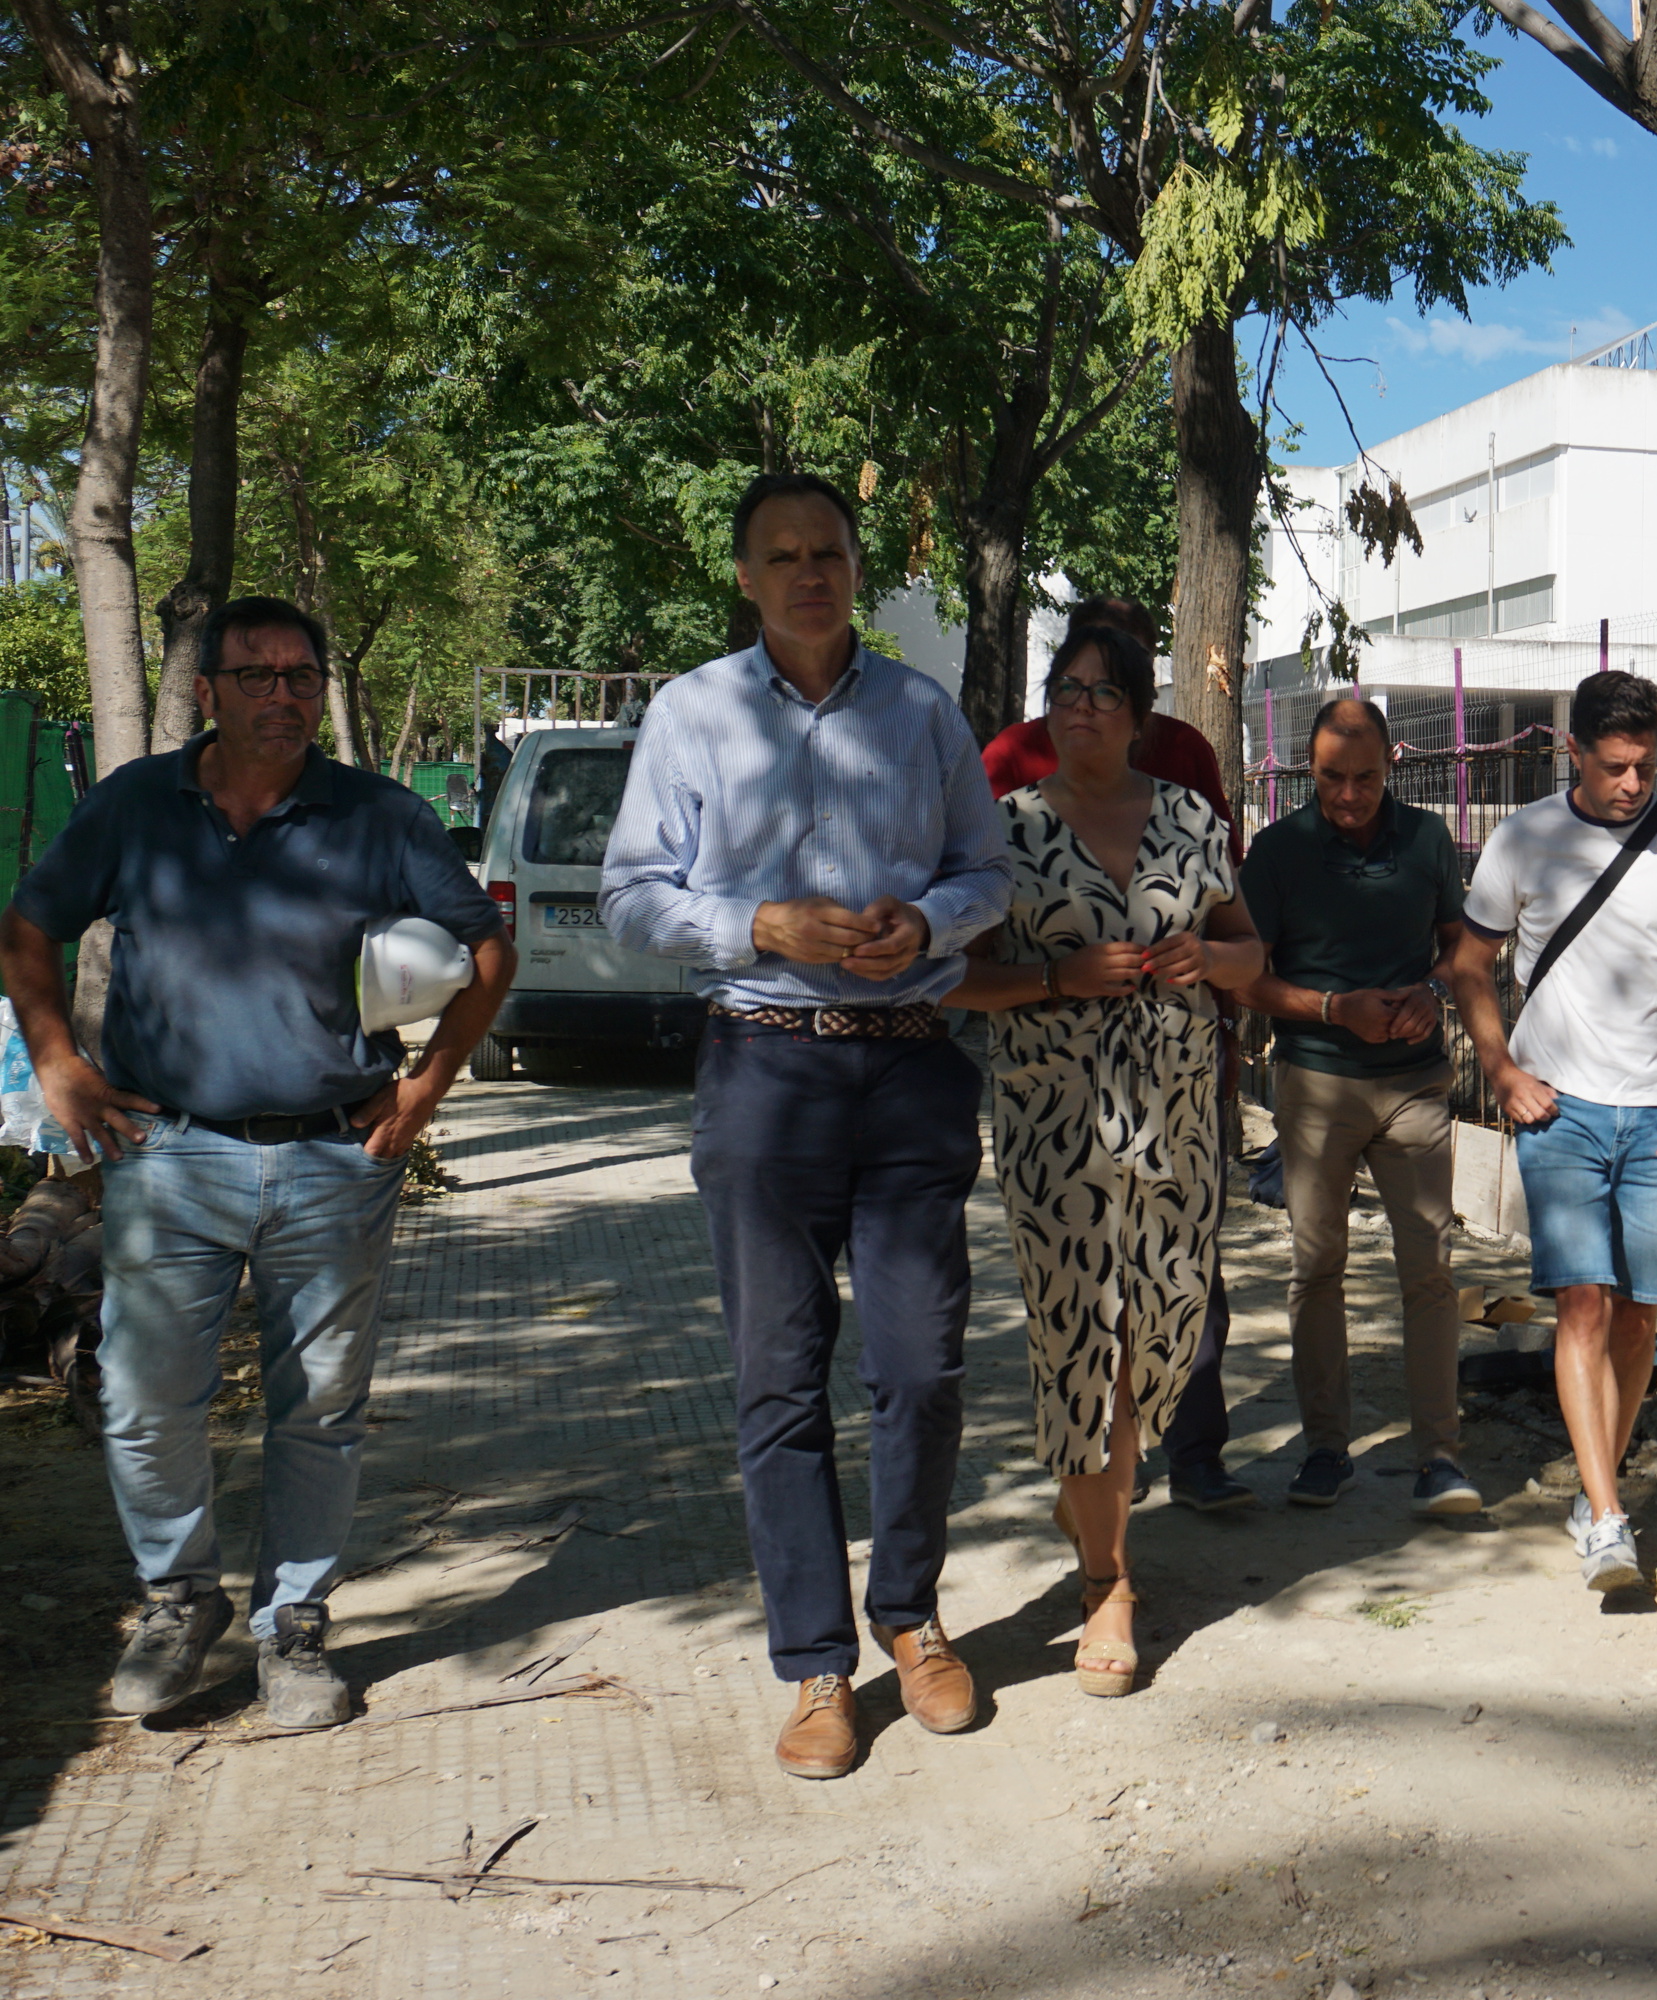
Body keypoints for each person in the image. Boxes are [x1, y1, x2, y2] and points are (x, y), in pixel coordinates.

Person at [0, 595, 515, 1727]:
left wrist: (427, 1084)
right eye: (257, 674)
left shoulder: (379, 816)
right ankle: (180, 1599)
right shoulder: (138, 805)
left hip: (333, 1158)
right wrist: (57, 1061)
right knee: (144, 1401)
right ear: (207, 692)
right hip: (168, 1154)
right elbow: (28, 925)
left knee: (319, 1409)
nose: (283, 694)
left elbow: (488, 946)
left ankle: (294, 1624)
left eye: (301, 675)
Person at [603, 470, 1010, 1780]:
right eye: (781, 556)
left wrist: (929, 922)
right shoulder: (691, 713)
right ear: (746, 577)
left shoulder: (922, 712)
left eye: (827, 551)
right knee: (779, 1378)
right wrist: (756, 925)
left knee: (923, 1366)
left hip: (909, 1067)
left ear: (855, 566)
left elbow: (988, 871)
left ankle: (911, 1614)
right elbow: (629, 897)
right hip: (764, 1067)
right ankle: (816, 1665)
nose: (808, 573)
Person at [950, 623, 1265, 1695]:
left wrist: (1209, 955)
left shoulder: (1191, 818)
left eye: (1102, 691)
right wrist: (1059, 978)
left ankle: (1093, 1486)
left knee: (1163, 1338)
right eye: (1065, 687)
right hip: (1058, 1131)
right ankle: (1107, 1582)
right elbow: (959, 978)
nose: (1079, 705)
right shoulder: (1006, 830)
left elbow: (1252, 950)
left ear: (1139, 714)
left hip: (1177, 1123)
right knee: (1087, 1341)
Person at [1447, 670, 1657, 1594]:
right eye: (1614, 765)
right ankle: (1611, 1518)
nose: (1631, 783)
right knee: (1583, 1302)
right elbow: (1468, 964)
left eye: (1646, 765)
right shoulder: (1524, 838)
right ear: (1573, 750)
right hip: (1560, 1111)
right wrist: (1502, 1073)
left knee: (1640, 1315)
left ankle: (1595, 1489)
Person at [1239, 698, 1477, 1514]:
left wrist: (1431, 992)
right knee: (1317, 1267)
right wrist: (1333, 1010)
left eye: (1365, 778)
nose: (1348, 795)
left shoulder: (1428, 840)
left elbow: (1459, 943)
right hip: (1315, 1084)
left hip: (1415, 1086)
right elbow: (1245, 976)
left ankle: (1440, 1457)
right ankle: (1325, 1448)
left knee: (1431, 1269)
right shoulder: (1278, 851)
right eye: (1332, 778)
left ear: (1391, 767)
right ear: (1309, 770)